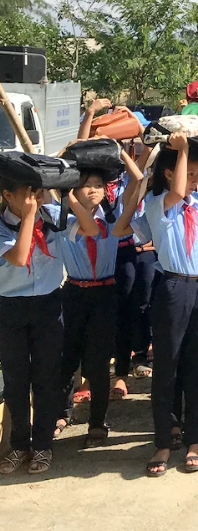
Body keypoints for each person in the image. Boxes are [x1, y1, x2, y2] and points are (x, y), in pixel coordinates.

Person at [116, 133, 198, 476]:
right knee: (167, 367)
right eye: (188, 173)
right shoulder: (159, 203)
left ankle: (195, 440)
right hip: (172, 288)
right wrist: (183, 147)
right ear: (168, 173)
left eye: (195, 174)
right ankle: (163, 442)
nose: (193, 180)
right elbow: (174, 192)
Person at [0, 177, 98, 476]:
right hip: (10, 306)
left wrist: (68, 196)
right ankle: (19, 444)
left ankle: (42, 444)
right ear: (7, 195)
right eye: (28, 193)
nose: (36, 197)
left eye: (39, 191)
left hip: (48, 304)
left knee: (46, 376)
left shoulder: (52, 215)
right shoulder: (5, 224)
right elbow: (18, 258)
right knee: (16, 380)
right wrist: (30, 215)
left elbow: (91, 230)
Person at [59, 163, 132, 449]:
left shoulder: (112, 219)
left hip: (104, 293)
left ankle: (97, 421)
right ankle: (61, 413)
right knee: (67, 359)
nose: (94, 190)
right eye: (86, 184)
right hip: (74, 292)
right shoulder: (62, 217)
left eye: (99, 185)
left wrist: (126, 153)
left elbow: (137, 182)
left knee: (99, 364)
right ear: (73, 189)